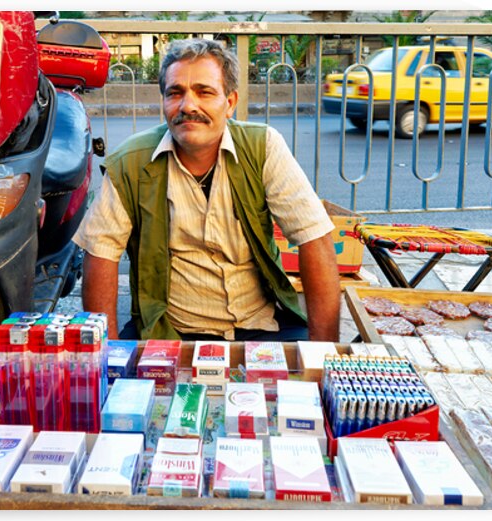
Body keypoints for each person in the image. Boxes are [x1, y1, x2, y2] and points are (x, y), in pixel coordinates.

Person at [73, 38, 341, 342]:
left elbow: (313, 238)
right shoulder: (130, 163)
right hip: (168, 331)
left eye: (205, 92)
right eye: (175, 93)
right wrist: (107, 356)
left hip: (263, 325)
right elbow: (100, 254)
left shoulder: (263, 147)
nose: (188, 105)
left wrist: (324, 356)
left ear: (230, 103)